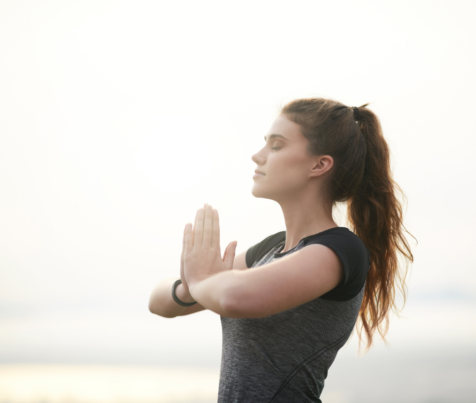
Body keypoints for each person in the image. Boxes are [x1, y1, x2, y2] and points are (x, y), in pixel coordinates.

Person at [148, 98, 414, 402]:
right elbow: (159, 302)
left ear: (319, 164)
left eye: (275, 146)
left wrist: (201, 281)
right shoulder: (271, 249)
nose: (257, 156)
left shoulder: (341, 249)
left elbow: (234, 297)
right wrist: (191, 288)